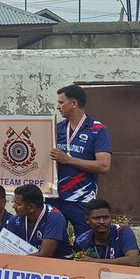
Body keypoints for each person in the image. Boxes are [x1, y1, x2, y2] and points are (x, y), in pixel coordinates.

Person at [49, 84, 112, 238]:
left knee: (84, 243)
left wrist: (69, 160)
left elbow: (104, 166)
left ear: (74, 103)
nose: (58, 107)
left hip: (82, 199)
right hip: (55, 197)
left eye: (61, 102)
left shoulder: (97, 130)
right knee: (54, 241)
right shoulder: (56, 129)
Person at [5, 184, 71, 258]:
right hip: (28, 263)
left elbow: (46, 254)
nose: (14, 206)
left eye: (18, 204)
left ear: (31, 207)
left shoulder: (54, 217)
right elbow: (8, 250)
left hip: (59, 264)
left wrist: (17, 260)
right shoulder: (14, 221)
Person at [72, 199, 139, 266]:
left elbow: (133, 261)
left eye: (105, 218)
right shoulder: (81, 241)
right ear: (87, 220)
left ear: (111, 218)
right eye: (96, 218)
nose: (102, 222)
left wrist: (94, 261)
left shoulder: (122, 232)